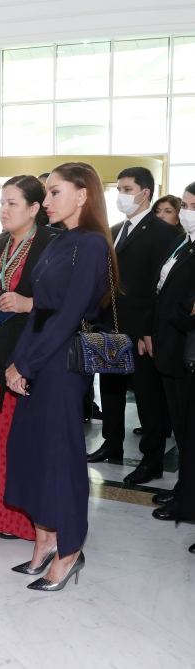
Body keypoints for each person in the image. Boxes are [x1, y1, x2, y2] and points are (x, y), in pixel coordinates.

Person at [4, 162, 116, 591]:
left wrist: (27, 364)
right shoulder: (58, 239)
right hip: (39, 357)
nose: (46, 200)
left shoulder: (91, 244)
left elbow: (69, 316)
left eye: (54, 192)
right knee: (31, 451)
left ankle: (69, 550)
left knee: (59, 459)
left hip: (63, 367)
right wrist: (17, 361)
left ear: (82, 195)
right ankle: (44, 540)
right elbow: (39, 309)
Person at [0, 176, 56, 541]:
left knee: (21, 438)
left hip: (28, 352)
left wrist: (29, 303)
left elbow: (67, 299)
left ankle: (25, 521)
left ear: (34, 209)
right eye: (1, 202)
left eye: (12, 203)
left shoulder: (51, 243)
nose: (3, 210)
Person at [86, 167, 182, 485]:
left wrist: (148, 330)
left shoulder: (163, 233)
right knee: (110, 387)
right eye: (119, 189)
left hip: (141, 329)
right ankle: (111, 442)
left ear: (145, 192)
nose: (121, 195)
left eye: (127, 189)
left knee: (147, 395)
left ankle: (152, 459)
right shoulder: (114, 230)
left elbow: (161, 288)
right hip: (110, 325)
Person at [149, 182, 195, 551]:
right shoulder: (185, 242)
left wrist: (181, 315)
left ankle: (188, 499)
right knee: (183, 430)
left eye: (193, 206)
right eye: (186, 205)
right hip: (172, 345)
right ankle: (184, 490)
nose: (186, 212)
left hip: (185, 347)